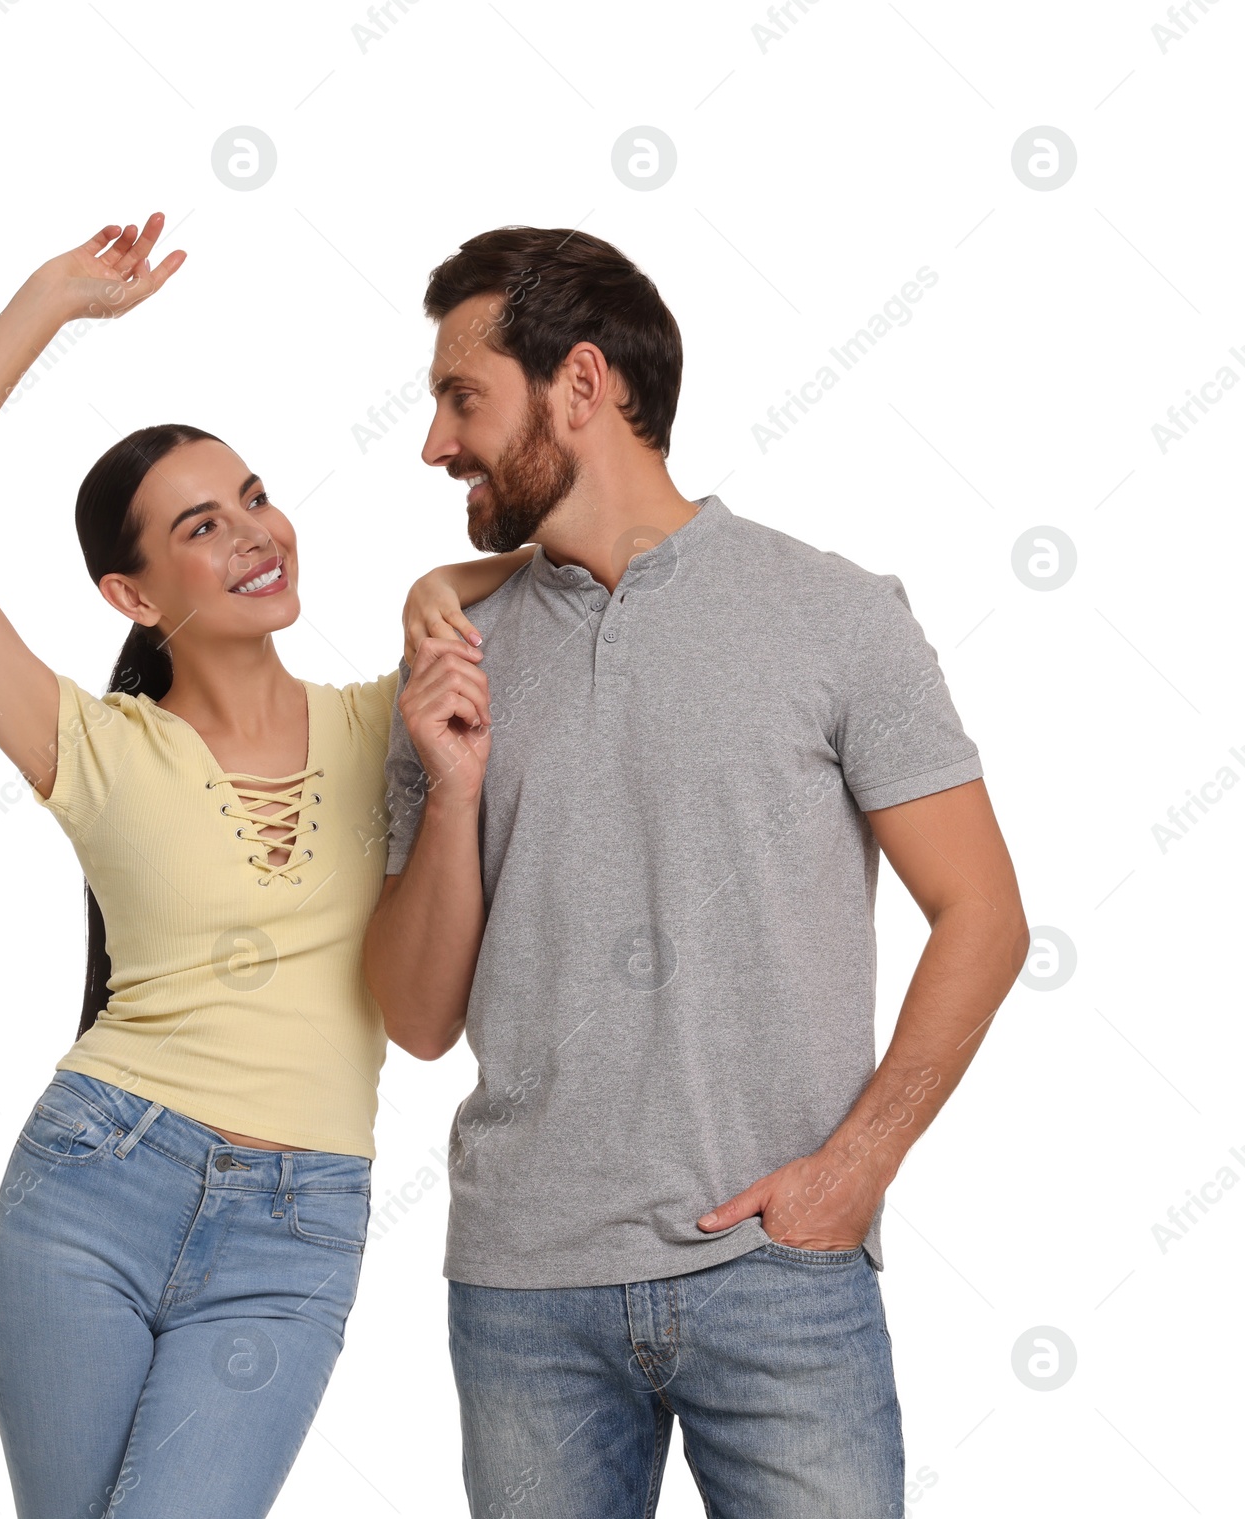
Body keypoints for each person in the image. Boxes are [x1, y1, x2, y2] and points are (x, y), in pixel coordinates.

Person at [0, 213, 531, 1519]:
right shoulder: (94, 750)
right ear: (134, 595)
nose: (256, 538)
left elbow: (570, 571)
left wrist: (439, 574)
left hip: (295, 1226)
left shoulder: (383, 717)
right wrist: (46, 303)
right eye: (204, 529)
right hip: (90, 1193)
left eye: (258, 500)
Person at [364, 226, 1030, 1518]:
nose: (436, 443)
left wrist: (856, 1170)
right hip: (523, 1290)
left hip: (779, 1273)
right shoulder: (455, 652)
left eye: (462, 397)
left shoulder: (834, 614)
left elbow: (985, 914)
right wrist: (451, 791)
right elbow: (415, 1019)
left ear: (582, 384)